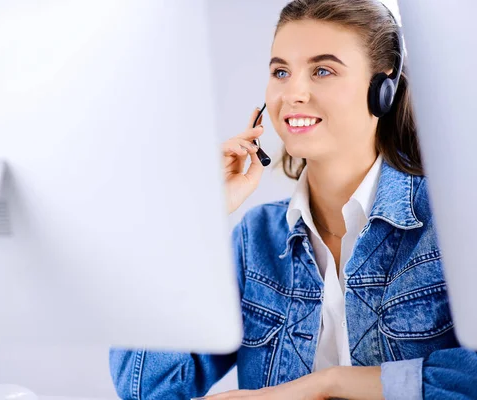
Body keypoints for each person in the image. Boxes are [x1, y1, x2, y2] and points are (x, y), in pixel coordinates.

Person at [109, 0, 477, 398]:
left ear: (382, 89)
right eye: (280, 71)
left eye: (323, 70)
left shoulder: (452, 222)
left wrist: (324, 384)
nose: (293, 93)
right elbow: (145, 386)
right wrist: (196, 220)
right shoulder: (257, 239)